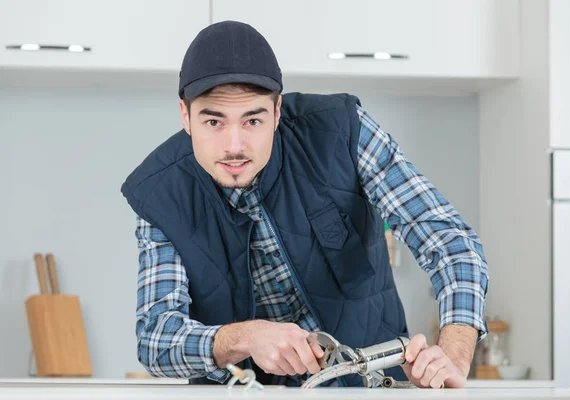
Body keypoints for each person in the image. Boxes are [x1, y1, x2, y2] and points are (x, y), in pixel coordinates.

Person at [121, 20, 489, 389]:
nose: (234, 145)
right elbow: (156, 338)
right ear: (185, 115)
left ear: (277, 111)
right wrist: (244, 337)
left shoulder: (343, 132)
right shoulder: (158, 193)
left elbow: (450, 243)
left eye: (252, 119)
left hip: (374, 389)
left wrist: (453, 356)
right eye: (213, 120)